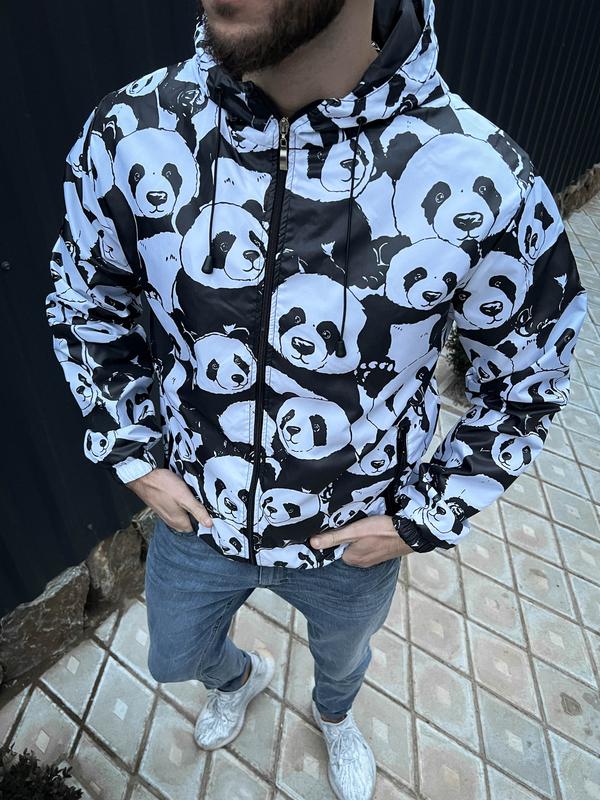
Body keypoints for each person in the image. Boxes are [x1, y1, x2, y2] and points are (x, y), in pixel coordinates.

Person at [44, 0, 588, 797]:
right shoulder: (133, 132)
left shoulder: (483, 177)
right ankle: (238, 680)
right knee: (173, 656)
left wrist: (423, 516)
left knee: (343, 659)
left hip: (352, 535)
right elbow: (85, 301)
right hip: (200, 513)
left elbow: (529, 381)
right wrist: (131, 450)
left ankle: (335, 717)